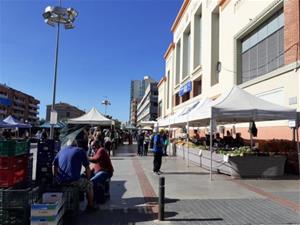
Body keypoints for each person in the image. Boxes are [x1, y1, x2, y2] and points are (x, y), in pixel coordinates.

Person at [52, 139, 96, 212]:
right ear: (76, 145)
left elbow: (53, 166)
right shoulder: (80, 150)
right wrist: (88, 179)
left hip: (61, 181)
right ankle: (90, 206)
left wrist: (56, 177)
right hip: (73, 180)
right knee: (90, 185)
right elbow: (87, 168)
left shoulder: (61, 151)